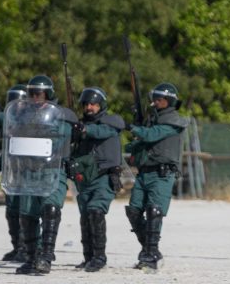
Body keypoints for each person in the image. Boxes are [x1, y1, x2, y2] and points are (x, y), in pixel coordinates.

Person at [15, 75, 77, 275]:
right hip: (28, 170)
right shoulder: (21, 115)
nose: (34, 97)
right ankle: (32, 257)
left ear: (48, 94)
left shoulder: (60, 116)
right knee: (27, 215)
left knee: (50, 209)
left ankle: (46, 256)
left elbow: (59, 140)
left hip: (52, 169)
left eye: (38, 93)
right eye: (31, 93)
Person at [124, 82, 188, 271]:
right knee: (134, 211)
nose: (154, 102)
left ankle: (151, 255)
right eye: (154, 99)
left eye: (159, 100)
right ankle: (150, 250)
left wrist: (132, 127)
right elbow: (143, 141)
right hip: (144, 173)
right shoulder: (151, 120)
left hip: (162, 174)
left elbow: (152, 135)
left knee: (154, 212)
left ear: (169, 101)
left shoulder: (174, 121)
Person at [68, 87, 125, 272]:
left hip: (104, 176)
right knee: (85, 216)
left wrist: (84, 129)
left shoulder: (112, 122)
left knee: (95, 211)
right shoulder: (80, 126)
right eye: (86, 104)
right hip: (85, 179)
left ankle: (100, 257)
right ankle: (88, 257)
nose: (89, 107)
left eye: (93, 104)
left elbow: (100, 132)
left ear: (101, 105)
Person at [1, 84, 29, 262]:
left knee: (26, 211)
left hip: (28, 170)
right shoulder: (7, 120)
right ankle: (17, 246)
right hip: (13, 169)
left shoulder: (34, 119)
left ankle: (29, 246)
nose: (15, 104)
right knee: (12, 211)